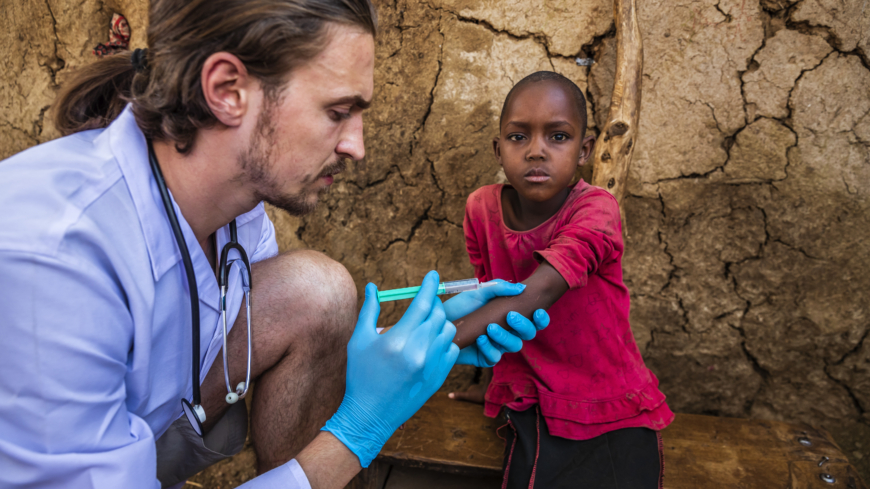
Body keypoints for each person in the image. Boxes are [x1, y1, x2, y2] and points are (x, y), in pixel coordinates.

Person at [0, 1, 550, 488]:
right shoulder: (56, 258)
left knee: (318, 292)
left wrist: (432, 340)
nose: (356, 145)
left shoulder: (238, 214)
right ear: (227, 91)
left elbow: (212, 333)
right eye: (337, 112)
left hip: (128, 442)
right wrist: (359, 429)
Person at [452, 71, 674, 489]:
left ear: (585, 149)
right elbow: (488, 299)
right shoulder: (481, 208)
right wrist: (499, 381)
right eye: (519, 137)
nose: (536, 151)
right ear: (497, 150)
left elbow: (534, 294)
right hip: (529, 393)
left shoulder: (595, 210)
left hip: (603, 395)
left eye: (558, 137)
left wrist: (425, 342)